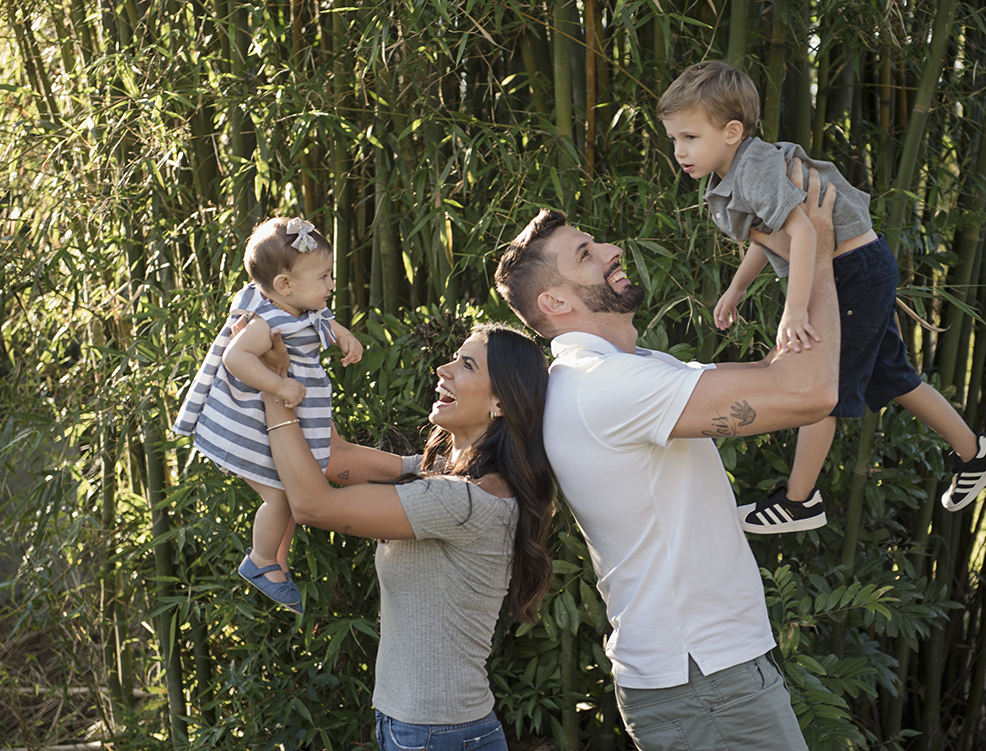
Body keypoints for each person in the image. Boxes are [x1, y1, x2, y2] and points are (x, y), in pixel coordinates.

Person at [494, 165, 839, 750]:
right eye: (586, 253)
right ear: (554, 301)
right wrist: (821, 257)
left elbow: (782, 379)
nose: (611, 249)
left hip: (704, 675)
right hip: (704, 679)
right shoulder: (604, 385)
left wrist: (793, 255)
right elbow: (812, 393)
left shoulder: (636, 371)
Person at [657, 60, 986, 533]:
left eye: (689, 137)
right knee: (892, 376)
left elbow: (805, 235)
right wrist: (736, 287)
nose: (679, 151)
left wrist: (796, 308)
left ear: (731, 131)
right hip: (859, 268)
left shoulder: (755, 168)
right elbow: (770, 236)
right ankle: (976, 451)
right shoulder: (739, 169)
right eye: (674, 139)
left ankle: (800, 500)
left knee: (816, 389)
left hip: (848, 273)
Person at [257, 322, 556, 751]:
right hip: (430, 729)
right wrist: (293, 363)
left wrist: (272, 394)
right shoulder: (436, 473)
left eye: (466, 365)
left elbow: (312, 505)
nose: (443, 368)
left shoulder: (464, 500)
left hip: (436, 735)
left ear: (501, 402)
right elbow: (335, 457)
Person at [172, 216, 364, 613]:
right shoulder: (268, 321)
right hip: (247, 427)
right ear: (284, 286)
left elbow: (321, 322)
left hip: (269, 426)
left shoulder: (297, 310)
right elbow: (235, 356)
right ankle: (260, 560)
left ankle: (276, 562)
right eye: (325, 277)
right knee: (279, 497)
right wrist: (279, 385)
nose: (332, 285)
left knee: (290, 493)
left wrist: (343, 333)